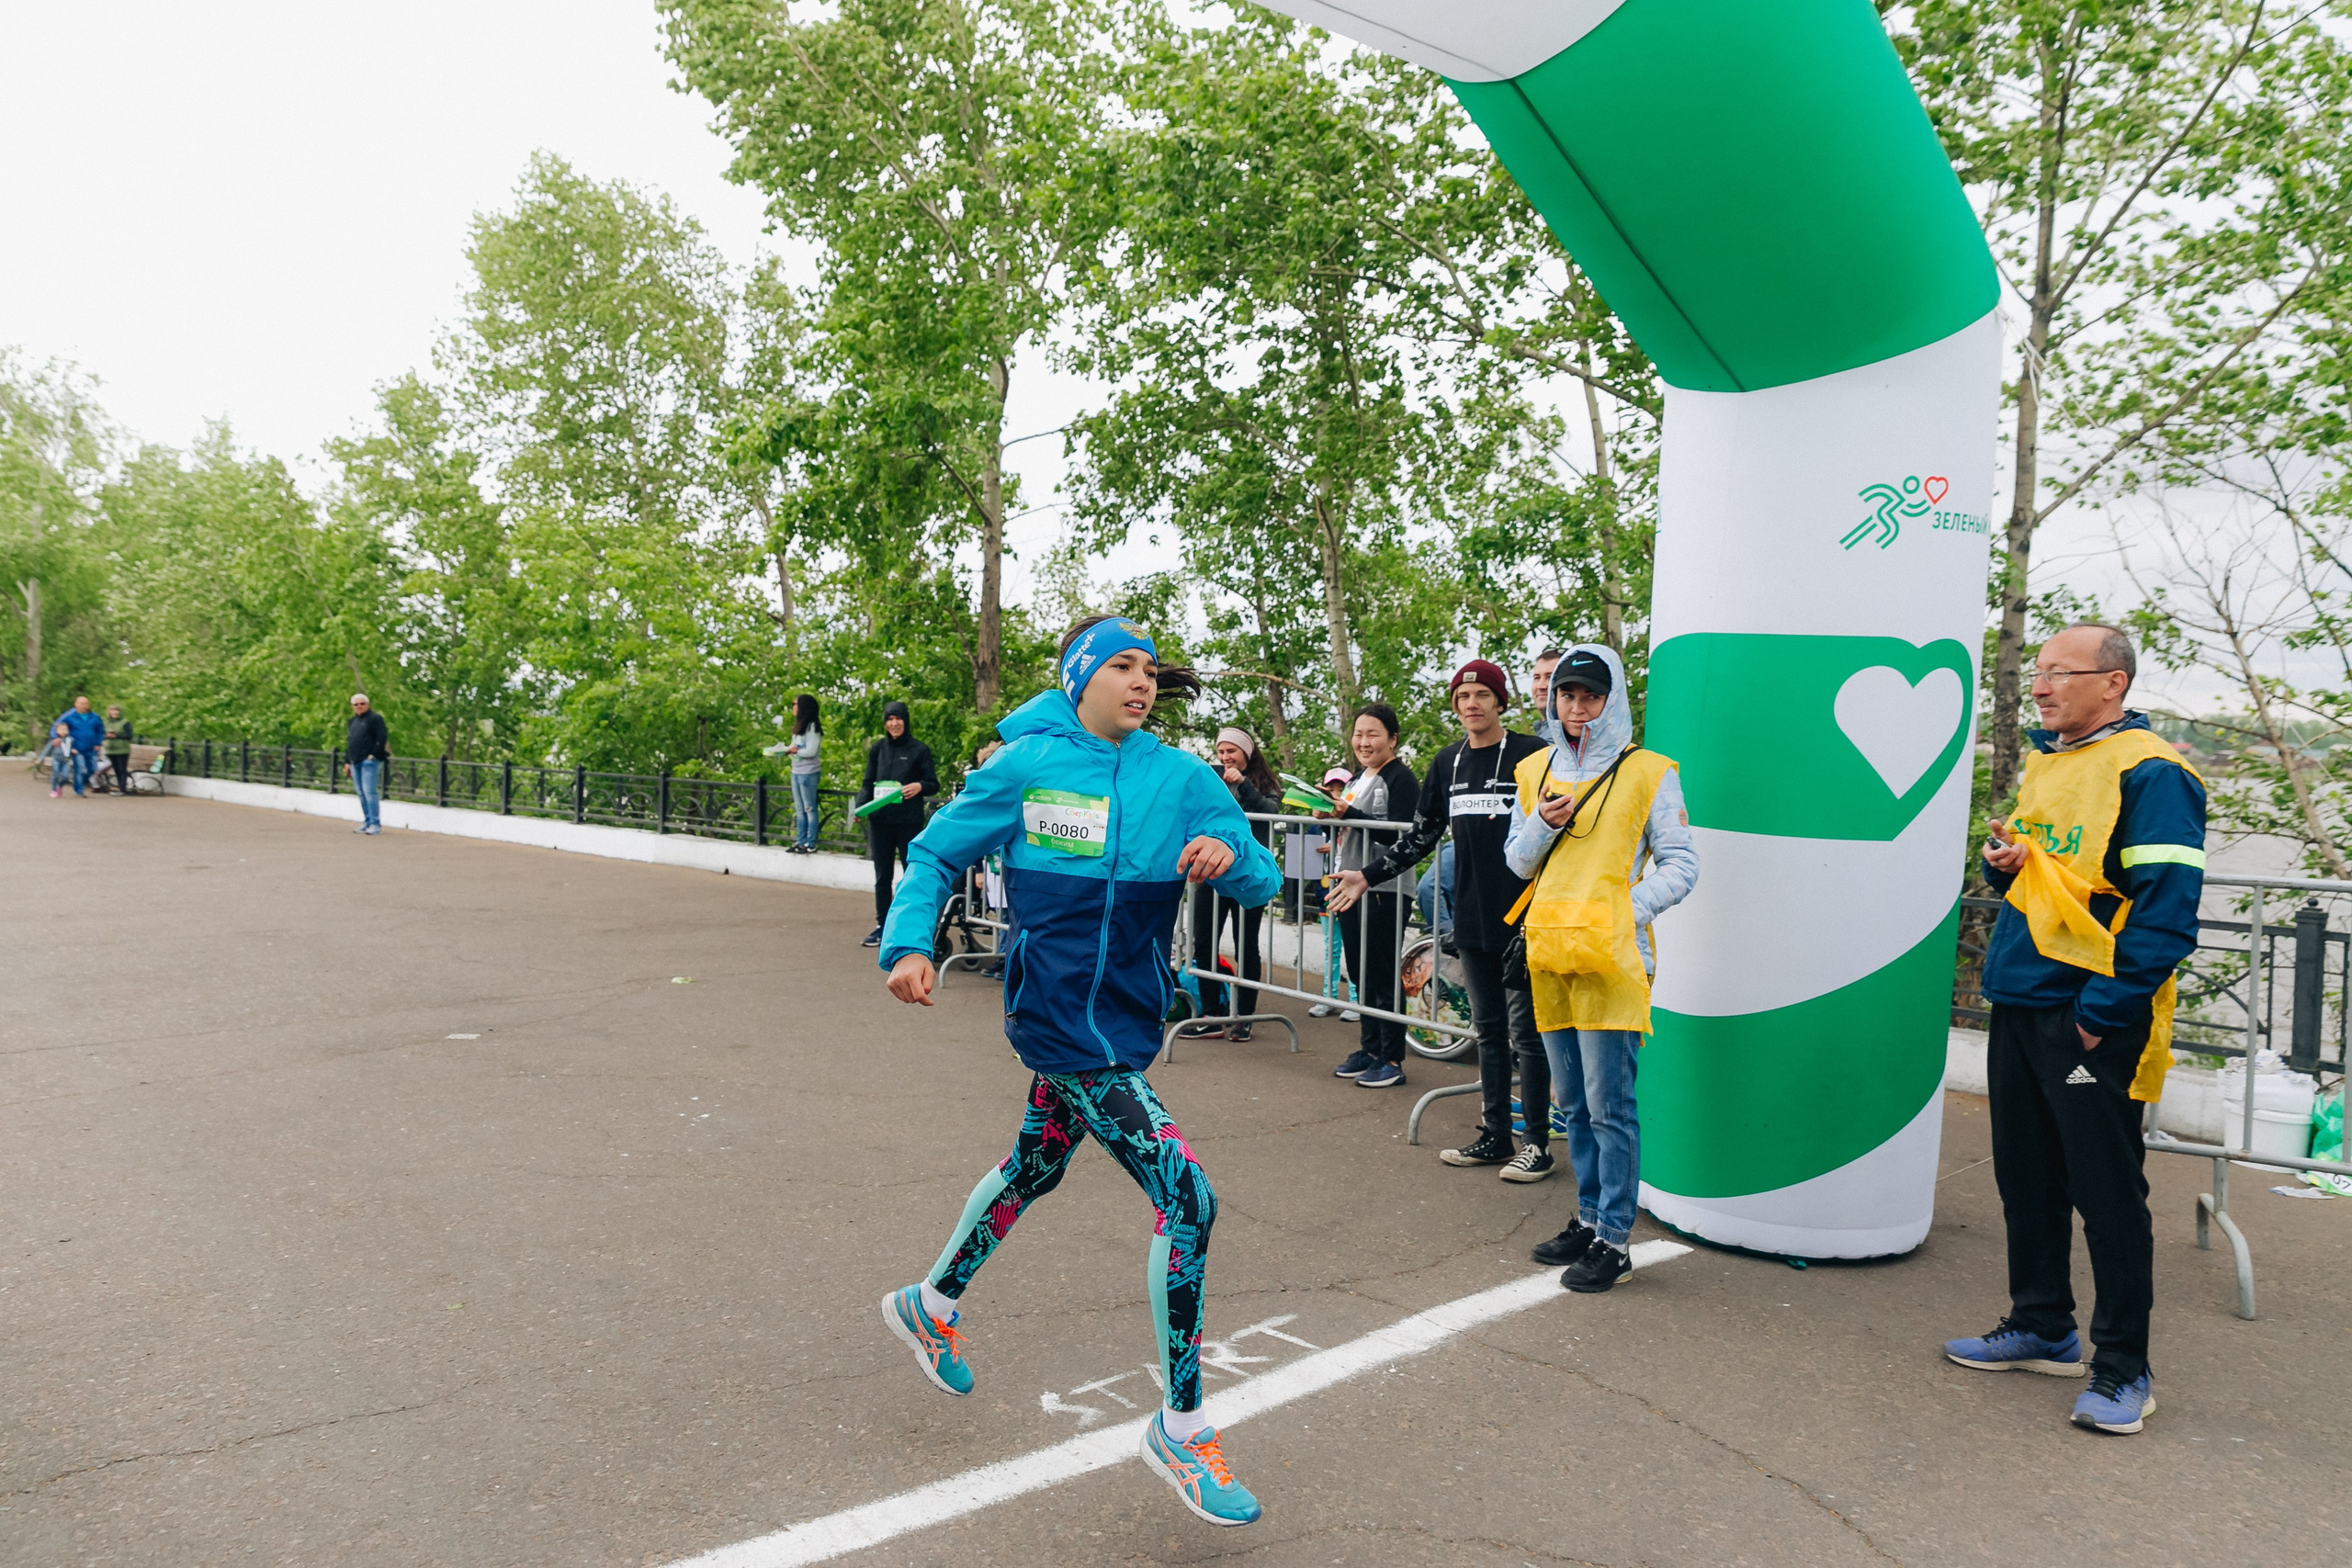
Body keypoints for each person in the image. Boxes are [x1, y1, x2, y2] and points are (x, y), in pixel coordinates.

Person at [875, 614, 1283, 1528]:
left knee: (1036, 1165)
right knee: (1188, 1198)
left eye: (1150, 671)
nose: (1142, 683)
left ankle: (929, 1303)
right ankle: (1181, 1429)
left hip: (1129, 1016)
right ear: (1079, 678)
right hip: (1057, 1018)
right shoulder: (1024, 764)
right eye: (1123, 667)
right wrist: (909, 943)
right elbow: (937, 852)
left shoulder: (1178, 778)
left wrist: (1230, 857)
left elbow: (1262, 877)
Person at [1943, 623, 2205, 1437]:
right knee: (2025, 1175)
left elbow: (2165, 913)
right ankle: (2042, 1323)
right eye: (2038, 673)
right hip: (2020, 998)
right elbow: (2050, 875)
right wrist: (2004, 865)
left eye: (2062, 672)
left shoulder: (2155, 773)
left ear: (2113, 683)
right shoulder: (2049, 759)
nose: (2043, 686)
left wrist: (2102, 1014)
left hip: (2089, 1016)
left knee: (2106, 1188)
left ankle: (2124, 1366)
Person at [1505, 646, 1698, 1292]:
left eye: (1590, 696)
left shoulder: (1649, 771)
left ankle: (1614, 1238)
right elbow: (1516, 862)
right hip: (1552, 957)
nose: (1577, 708)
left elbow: (1681, 863)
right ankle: (1588, 1218)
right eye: (1567, 695)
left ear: (1612, 699)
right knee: (1574, 1104)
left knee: (1611, 1105)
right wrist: (1540, 824)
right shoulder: (1535, 771)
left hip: (1615, 961)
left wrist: (1623, 911)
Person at [1329, 660, 1552, 1178]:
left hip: (1527, 918)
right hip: (1471, 917)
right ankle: (1495, 1135)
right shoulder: (1448, 762)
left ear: (1500, 701)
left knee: (1527, 1035)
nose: (1471, 704)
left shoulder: (1533, 754)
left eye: (1481, 695)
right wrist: (1367, 873)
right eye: (1462, 696)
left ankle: (1536, 1143)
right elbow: (1421, 837)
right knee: (1489, 1032)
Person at [1326, 703, 1420, 1089]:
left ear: (1392, 739)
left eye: (1373, 734)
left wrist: (1347, 813)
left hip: (1386, 887)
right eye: (1358, 734)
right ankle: (1370, 1047)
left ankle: (1392, 1057)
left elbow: (1396, 834)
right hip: (1351, 884)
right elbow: (1355, 822)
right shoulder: (1360, 778)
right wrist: (1329, 812)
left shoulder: (1402, 779)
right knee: (1361, 970)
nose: (1363, 742)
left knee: (1382, 973)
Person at [1175, 726, 1282, 1042]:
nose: (1225, 758)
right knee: (1204, 940)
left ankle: (1245, 1016)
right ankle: (1211, 1014)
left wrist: (1245, 786)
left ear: (1246, 755)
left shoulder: (1263, 783)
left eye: (1231, 752)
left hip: (1249, 877)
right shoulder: (1212, 781)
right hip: (1211, 873)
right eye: (1221, 752)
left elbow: (1271, 812)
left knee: (1246, 943)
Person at [859, 701, 939, 946]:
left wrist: (920, 786)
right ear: (885, 723)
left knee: (910, 874)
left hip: (908, 823)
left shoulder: (919, 750)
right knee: (882, 876)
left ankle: (909, 926)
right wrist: (860, 807)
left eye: (898, 719)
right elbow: (868, 782)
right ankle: (882, 926)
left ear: (905, 721)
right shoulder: (878, 749)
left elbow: (933, 783)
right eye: (889, 719)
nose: (894, 724)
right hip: (880, 822)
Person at [345, 694, 390, 836]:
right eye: (356, 704)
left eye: (362, 704)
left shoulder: (375, 719)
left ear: (367, 704)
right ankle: (367, 821)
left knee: (369, 792)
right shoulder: (352, 721)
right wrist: (347, 760)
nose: (359, 707)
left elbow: (381, 737)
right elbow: (350, 741)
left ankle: (375, 823)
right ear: (352, 707)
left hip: (369, 761)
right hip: (354, 760)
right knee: (361, 793)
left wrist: (373, 755)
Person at [786, 694, 823, 853]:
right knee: (799, 809)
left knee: (809, 808)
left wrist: (797, 751)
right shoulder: (798, 727)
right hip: (796, 770)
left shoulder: (812, 727)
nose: (793, 707)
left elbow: (811, 750)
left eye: (795, 704)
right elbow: (792, 746)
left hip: (808, 772)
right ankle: (800, 841)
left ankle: (811, 842)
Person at [53, 697, 105, 797]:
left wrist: (98, 743)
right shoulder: (69, 716)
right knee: (81, 769)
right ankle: (79, 790)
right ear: (76, 704)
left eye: (86, 703)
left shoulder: (94, 717)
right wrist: (55, 737)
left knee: (92, 769)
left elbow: (100, 730)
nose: (83, 706)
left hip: (91, 748)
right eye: (81, 703)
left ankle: (80, 783)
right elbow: (57, 725)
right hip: (77, 748)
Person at [1529, 648, 1566, 746]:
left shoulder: (1567, 739)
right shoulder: (1541, 734)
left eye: (1550, 677)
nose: (1541, 686)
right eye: (1537, 678)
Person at [103, 705, 133, 794]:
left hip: (122, 749)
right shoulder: (106, 723)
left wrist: (117, 736)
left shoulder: (125, 722)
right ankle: (120, 786)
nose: (114, 713)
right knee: (116, 769)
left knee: (122, 768)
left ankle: (122, 788)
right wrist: (107, 736)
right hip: (111, 749)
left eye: (116, 711)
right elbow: (101, 733)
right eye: (112, 711)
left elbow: (129, 736)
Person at [41, 719, 73, 797]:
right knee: (55, 774)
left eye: (66, 729)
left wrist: (74, 750)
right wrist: (40, 758)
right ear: (57, 731)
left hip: (65, 760)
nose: (64, 731)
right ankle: (54, 790)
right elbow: (47, 749)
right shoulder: (55, 740)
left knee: (65, 776)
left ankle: (60, 787)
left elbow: (73, 747)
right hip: (56, 760)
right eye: (62, 729)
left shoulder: (70, 740)